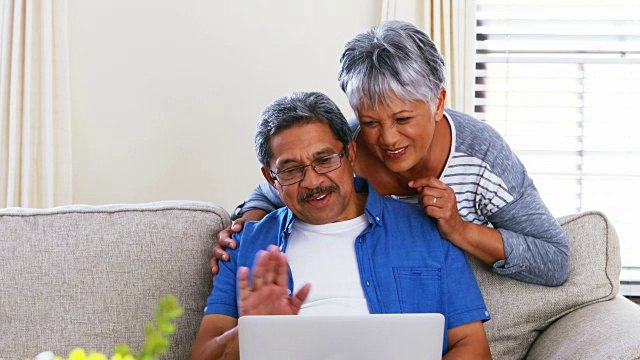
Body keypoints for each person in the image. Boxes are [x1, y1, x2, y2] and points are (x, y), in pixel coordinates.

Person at [212, 21, 570, 286]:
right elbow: (272, 189)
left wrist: (459, 229)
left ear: (438, 103)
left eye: (403, 118)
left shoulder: (482, 155)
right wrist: (246, 228)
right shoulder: (342, 151)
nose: (387, 139)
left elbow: (554, 260)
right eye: (370, 121)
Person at [191, 92, 491, 359]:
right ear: (271, 179)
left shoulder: (427, 228)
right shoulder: (244, 245)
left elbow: (472, 345)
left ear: (350, 155)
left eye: (325, 160)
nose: (313, 181)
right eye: (292, 169)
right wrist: (255, 330)